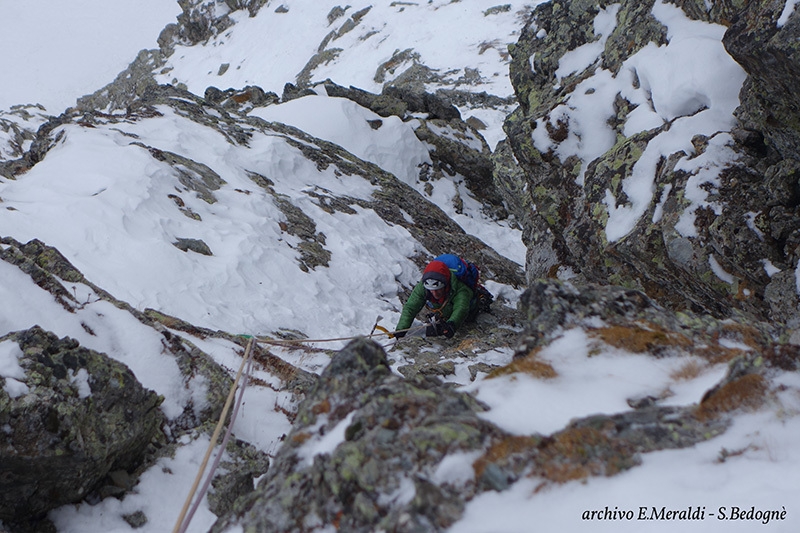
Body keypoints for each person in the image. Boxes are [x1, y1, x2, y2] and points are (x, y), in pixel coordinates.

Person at [394, 258, 477, 338]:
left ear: (445, 285)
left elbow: (461, 307)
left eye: (437, 289)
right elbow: (411, 307)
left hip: (470, 311)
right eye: (431, 290)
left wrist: (452, 324)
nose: (434, 293)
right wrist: (400, 330)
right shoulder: (423, 287)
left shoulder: (460, 289)